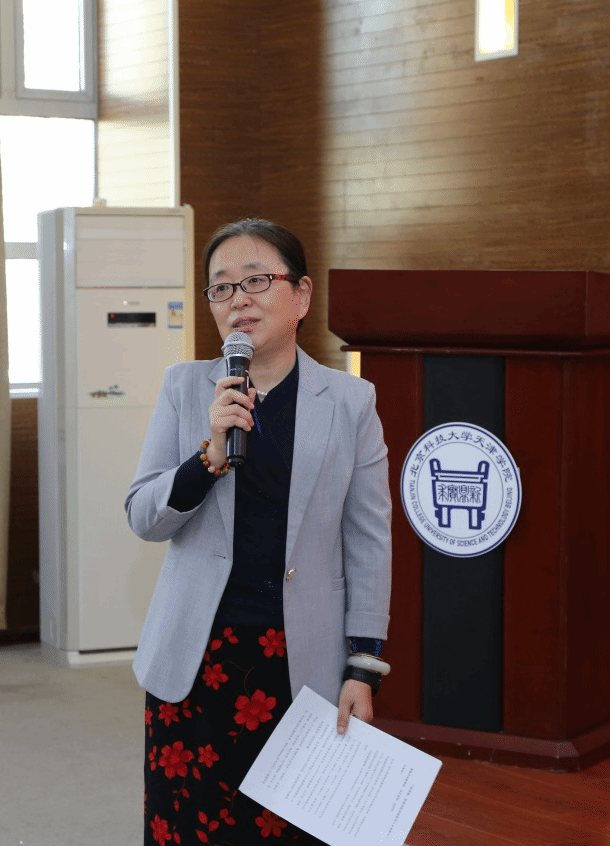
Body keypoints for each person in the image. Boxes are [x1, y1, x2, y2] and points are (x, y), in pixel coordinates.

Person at [126, 218, 393, 845]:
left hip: (299, 659)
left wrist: (363, 665)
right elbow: (143, 515)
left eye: (256, 281)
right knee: (188, 829)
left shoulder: (350, 402)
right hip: (196, 658)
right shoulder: (185, 387)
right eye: (221, 288)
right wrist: (207, 458)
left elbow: (369, 542)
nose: (238, 300)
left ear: (300, 295)